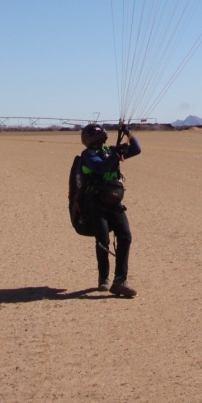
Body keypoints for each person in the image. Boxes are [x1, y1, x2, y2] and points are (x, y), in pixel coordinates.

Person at [76, 122, 141, 298]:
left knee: (125, 236)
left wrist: (128, 134)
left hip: (114, 202)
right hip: (96, 204)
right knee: (103, 240)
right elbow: (101, 167)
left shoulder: (109, 151)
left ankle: (120, 280)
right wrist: (116, 154)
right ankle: (103, 278)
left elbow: (136, 149)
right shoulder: (87, 155)